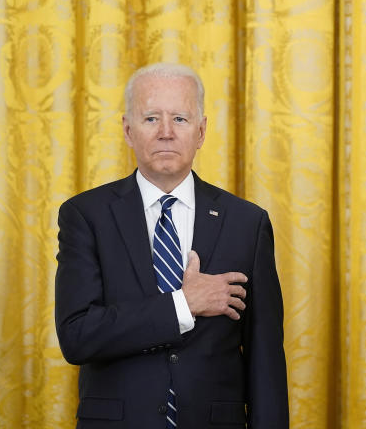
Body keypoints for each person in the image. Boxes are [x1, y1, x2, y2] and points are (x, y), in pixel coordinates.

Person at [55, 63, 289, 428]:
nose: (166, 132)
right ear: (128, 130)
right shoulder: (85, 216)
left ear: (201, 131)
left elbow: (266, 359)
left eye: (180, 118)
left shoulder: (248, 223)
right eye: (151, 119)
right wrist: (183, 305)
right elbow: (77, 337)